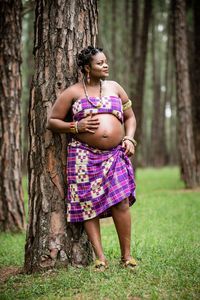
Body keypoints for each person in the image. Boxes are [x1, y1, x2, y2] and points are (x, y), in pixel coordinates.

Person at [47, 46, 137, 271]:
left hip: (115, 155)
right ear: (87, 68)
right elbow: (52, 121)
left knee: (122, 201)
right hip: (83, 156)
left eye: (105, 61)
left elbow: (130, 117)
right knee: (88, 205)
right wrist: (75, 126)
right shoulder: (73, 92)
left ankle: (127, 257)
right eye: (100, 63)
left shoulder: (115, 87)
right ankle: (100, 257)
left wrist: (129, 139)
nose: (105, 65)